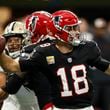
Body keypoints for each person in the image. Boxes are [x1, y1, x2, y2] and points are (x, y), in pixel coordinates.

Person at [0, 10, 110, 110]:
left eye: (75, 27)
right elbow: (11, 69)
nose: (76, 32)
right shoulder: (45, 51)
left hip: (74, 106)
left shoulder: (86, 48)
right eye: (70, 28)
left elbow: (11, 84)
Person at [1, 21, 40, 110]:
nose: (12, 44)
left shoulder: (36, 57)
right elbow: (2, 94)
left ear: (25, 40)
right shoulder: (3, 60)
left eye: (16, 40)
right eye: (9, 40)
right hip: (12, 105)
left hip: (37, 104)